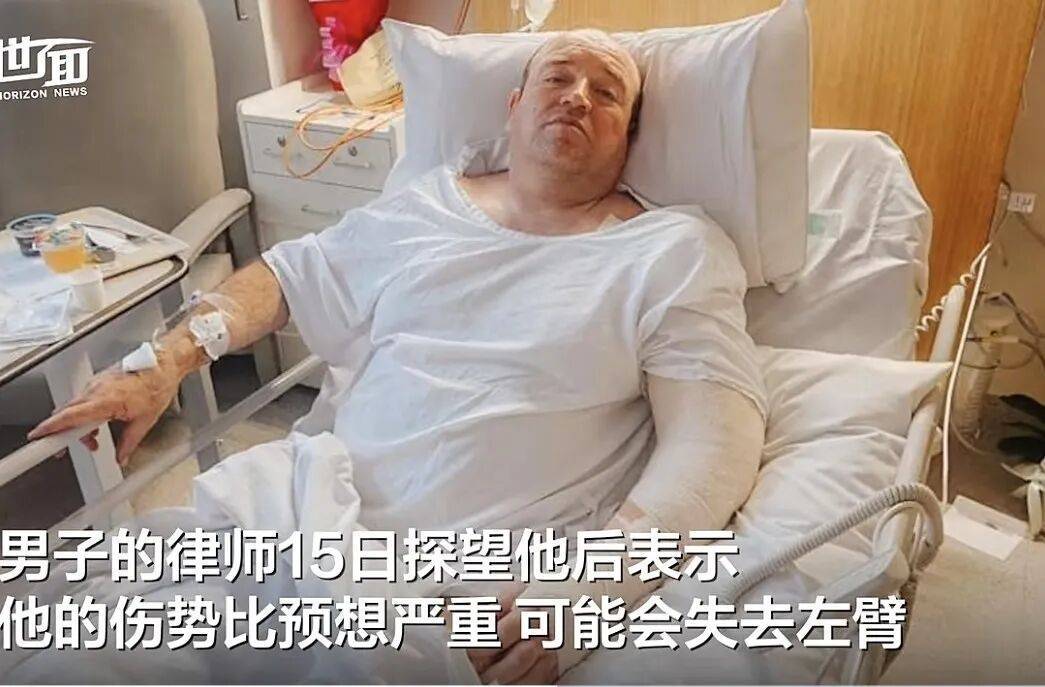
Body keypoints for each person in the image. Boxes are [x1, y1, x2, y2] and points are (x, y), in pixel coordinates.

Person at [29, 30, 766, 684]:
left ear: (628, 138)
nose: (577, 97)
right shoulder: (427, 207)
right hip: (301, 516)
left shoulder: (670, 251)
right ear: (513, 106)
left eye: (606, 93)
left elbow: (714, 443)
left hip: (453, 592)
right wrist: (168, 358)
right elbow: (288, 278)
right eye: (557, 77)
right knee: (78, 658)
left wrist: (590, 589)